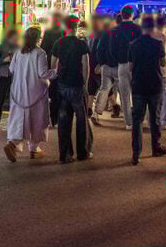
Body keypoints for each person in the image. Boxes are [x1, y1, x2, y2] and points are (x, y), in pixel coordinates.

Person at [3, 26, 53, 161]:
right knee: (36, 118)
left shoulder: (19, 51)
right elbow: (42, 73)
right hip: (36, 91)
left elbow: (12, 69)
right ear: (37, 38)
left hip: (19, 91)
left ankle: (13, 143)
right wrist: (56, 72)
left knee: (20, 117)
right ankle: (34, 148)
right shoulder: (40, 53)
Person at [127, 15, 166, 165]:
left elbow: (130, 67)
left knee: (137, 119)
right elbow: (164, 63)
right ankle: (156, 147)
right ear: (152, 28)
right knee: (155, 118)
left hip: (138, 85)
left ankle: (136, 153)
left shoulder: (133, 45)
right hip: (155, 84)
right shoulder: (158, 44)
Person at [51, 15, 91, 162]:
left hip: (62, 85)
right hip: (77, 84)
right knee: (81, 120)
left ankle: (65, 154)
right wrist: (85, 85)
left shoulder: (58, 43)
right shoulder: (82, 44)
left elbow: (53, 65)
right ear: (76, 28)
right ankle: (82, 152)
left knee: (63, 120)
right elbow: (86, 67)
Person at [108, 5, 141, 130]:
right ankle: (138, 119)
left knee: (124, 94)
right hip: (136, 65)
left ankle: (129, 123)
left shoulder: (115, 30)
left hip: (121, 65)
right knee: (137, 93)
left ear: (121, 15)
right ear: (132, 15)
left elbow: (112, 50)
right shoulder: (138, 29)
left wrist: (119, 59)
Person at [91, 17, 119, 124]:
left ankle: (96, 113)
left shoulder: (102, 35)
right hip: (118, 66)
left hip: (105, 67)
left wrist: (101, 63)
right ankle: (129, 120)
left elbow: (98, 50)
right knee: (125, 91)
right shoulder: (118, 35)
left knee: (104, 89)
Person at [40, 12, 65, 127]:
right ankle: (60, 118)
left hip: (52, 65)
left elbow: (43, 48)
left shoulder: (49, 31)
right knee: (60, 94)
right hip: (63, 66)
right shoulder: (64, 31)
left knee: (53, 93)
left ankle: (53, 119)